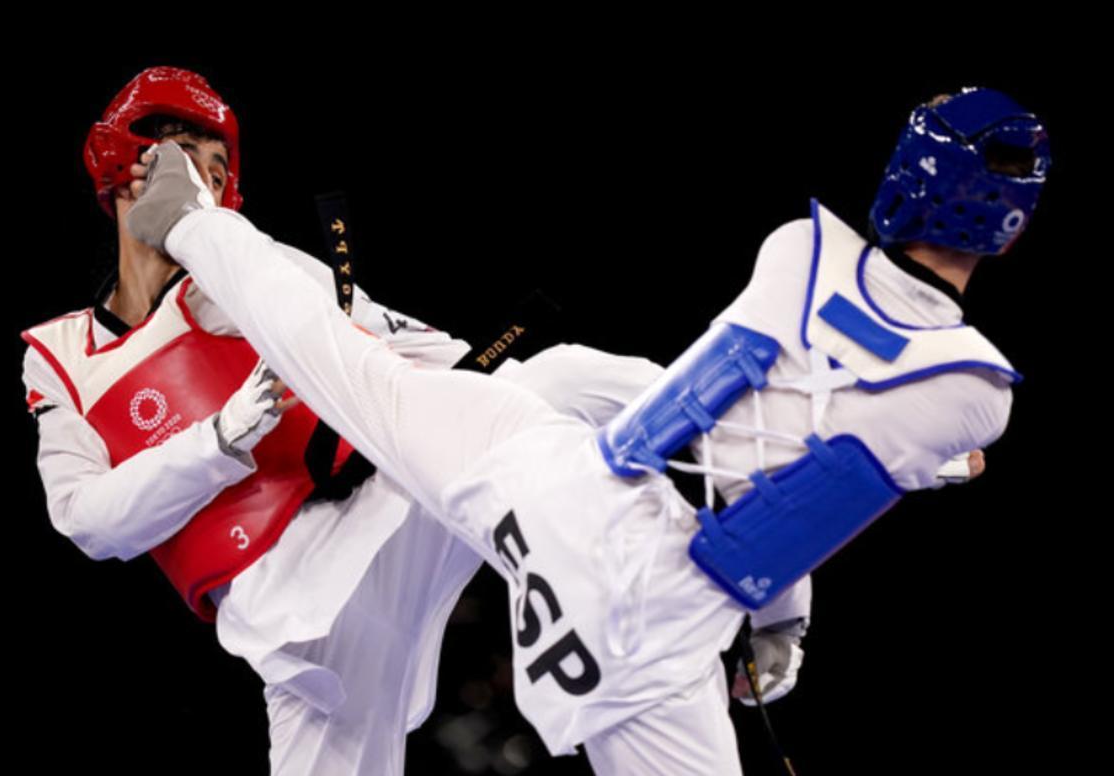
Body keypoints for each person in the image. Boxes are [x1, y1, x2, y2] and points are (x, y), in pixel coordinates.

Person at [123, 85, 1047, 775]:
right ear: (1008, 228)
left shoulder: (798, 246)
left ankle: (194, 225)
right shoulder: (975, 393)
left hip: (551, 474)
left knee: (340, 356)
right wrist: (785, 625)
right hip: (645, 608)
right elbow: (775, 504)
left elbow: (703, 406)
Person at [23, 66, 817, 774]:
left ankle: (790, 514)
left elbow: (432, 360)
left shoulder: (257, 271)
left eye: (218, 161)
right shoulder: (59, 355)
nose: (206, 171)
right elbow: (90, 523)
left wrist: (468, 380)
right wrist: (218, 442)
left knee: (563, 377)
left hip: (381, 522)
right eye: (184, 148)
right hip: (293, 626)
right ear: (125, 167)